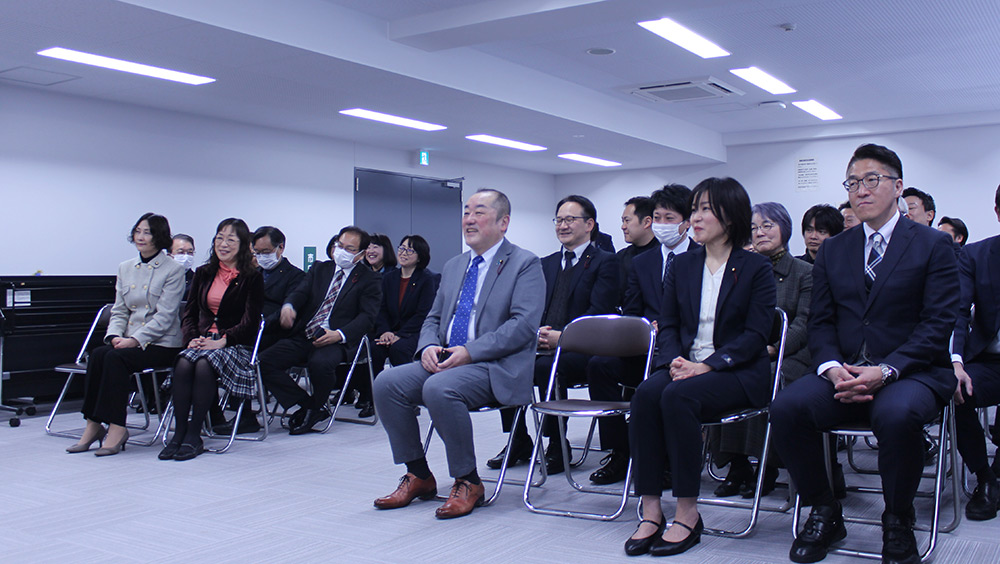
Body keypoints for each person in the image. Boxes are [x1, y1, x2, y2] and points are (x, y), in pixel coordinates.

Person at [771, 144, 959, 564]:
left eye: (872, 179)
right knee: (786, 408)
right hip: (845, 370)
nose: (861, 190)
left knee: (896, 415)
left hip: (912, 371)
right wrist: (831, 368)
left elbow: (937, 324)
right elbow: (821, 321)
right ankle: (825, 510)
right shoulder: (835, 249)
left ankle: (898, 519)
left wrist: (887, 371)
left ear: (898, 186)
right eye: (853, 182)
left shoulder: (932, 245)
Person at [624, 177, 776, 557]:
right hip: (685, 366)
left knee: (677, 397)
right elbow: (669, 323)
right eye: (694, 209)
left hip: (737, 372)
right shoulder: (683, 264)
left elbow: (756, 335)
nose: (695, 217)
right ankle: (651, 510)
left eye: (705, 209)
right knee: (646, 395)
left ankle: (688, 513)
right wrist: (676, 360)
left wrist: (707, 366)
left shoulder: (756, 267)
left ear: (731, 215)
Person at [372, 189, 544, 519]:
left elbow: (523, 326)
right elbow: (433, 317)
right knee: (387, 383)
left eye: (479, 212)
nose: (469, 219)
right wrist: (427, 346)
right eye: (466, 212)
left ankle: (468, 480)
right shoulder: (454, 265)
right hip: (447, 358)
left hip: (494, 365)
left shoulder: (524, 263)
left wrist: (469, 351)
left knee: (439, 388)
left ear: (503, 222)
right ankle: (418, 474)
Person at [488, 195, 618, 475]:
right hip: (543, 344)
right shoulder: (544, 264)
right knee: (503, 361)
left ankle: (557, 444)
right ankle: (518, 439)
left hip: (584, 349)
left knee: (545, 368)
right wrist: (534, 332)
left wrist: (565, 337)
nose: (562, 225)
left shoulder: (605, 262)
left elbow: (600, 312)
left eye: (570, 219)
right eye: (558, 220)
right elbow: (528, 308)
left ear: (589, 224)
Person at [587, 184, 697, 486]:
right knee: (600, 365)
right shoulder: (642, 262)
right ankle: (620, 451)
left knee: (660, 386)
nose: (662, 224)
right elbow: (633, 309)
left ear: (686, 222)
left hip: (685, 351)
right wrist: (646, 326)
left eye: (669, 218)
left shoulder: (701, 257)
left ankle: (667, 459)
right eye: (657, 218)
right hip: (647, 348)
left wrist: (672, 326)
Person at [711, 202, 812, 498]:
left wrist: (774, 349)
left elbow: (804, 324)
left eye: (768, 225)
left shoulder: (805, 272)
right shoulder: (742, 271)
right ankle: (737, 465)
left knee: (765, 377)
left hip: (792, 353)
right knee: (721, 375)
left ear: (785, 229)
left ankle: (766, 466)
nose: (760, 232)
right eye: (754, 228)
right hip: (751, 350)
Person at [67, 213, 186, 456]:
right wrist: (114, 336)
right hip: (128, 339)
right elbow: (119, 310)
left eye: (147, 232)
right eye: (138, 231)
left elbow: (165, 316)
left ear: (160, 236)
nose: (140, 237)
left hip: (162, 343)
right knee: (98, 354)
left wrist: (135, 340)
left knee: (114, 358)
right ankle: (93, 424)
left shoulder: (173, 269)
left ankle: (117, 427)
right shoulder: (125, 267)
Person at [158, 218, 264, 461]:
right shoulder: (203, 273)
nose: (223, 244)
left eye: (230, 240)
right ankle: (179, 432)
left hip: (234, 345)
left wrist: (223, 340)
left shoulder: (252, 277)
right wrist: (192, 338)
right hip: (202, 341)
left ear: (243, 245)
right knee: (184, 362)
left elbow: (250, 322)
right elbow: (190, 313)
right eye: (219, 238)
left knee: (204, 364)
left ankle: (194, 435)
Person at [258, 226, 381, 434]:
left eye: (349, 249)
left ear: (360, 255)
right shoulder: (320, 269)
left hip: (337, 339)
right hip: (305, 334)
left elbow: (367, 317)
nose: (341, 251)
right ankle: (311, 406)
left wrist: (339, 335)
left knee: (320, 363)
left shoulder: (369, 279)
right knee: (263, 362)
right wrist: (289, 306)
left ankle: (313, 409)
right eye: (340, 245)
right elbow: (300, 293)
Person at [951, 185, 1000, 521]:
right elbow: (956, 312)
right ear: (997, 212)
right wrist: (955, 362)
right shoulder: (976, 256)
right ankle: (985, 478)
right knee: (953, 390)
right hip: (988, 360)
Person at [360, 235, 440, 419]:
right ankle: (372, 399)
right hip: (389, 332)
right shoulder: (389, 278)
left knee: (399, 349)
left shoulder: (427, 279)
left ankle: (408, 400)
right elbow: (381, 309)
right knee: (374, 349)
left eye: (410, 250)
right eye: (402, 249)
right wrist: (385, 332)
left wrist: (400, 334)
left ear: (420, 256)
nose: (404, 253)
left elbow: (423, 313)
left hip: (414, 332)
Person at [251, 226, 305, 350]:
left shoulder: (296, 276)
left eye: (266, 252)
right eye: (257, 252)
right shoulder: (253, 274)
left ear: (280, 247)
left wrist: (259, 325)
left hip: (273, 334)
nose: (261, 256)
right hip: (249, 329)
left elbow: (287, 308)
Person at [615, 196, 657, 308]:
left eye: (627, 221)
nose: (623, 227)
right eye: (622, 221)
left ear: (647, 222)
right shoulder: (621, 257)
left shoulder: (664, 254)